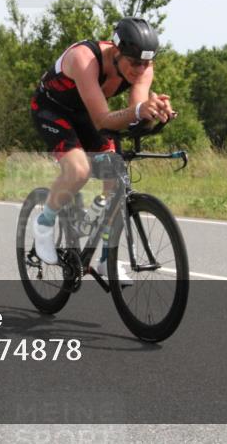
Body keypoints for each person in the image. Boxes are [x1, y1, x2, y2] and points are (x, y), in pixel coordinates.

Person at [29, 17, 174, 279]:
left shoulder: (143, 67)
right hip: (52, 110)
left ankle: (107, 259)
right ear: (117, 52)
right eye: (134, 63)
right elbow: (103, 120)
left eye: (146, 63)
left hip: (88, 113)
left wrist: (154, 112)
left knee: (115, 177)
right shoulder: (84, 59)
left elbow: (134, 113)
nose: (140, 70)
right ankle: (45, 223)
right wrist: (139, 111)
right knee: (78, 170)